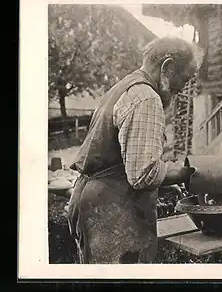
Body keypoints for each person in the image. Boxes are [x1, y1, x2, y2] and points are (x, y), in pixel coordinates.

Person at [67, 37, 197, 264]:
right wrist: (183, 173)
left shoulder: (124, 87)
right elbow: (143, 175)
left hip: (95, 198)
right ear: (168, 67)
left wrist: (166, 180)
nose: (182, 88)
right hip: (112, 210)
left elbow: (125, 160)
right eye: (184, 79)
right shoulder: (146, 98)